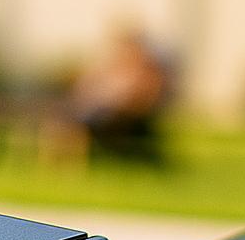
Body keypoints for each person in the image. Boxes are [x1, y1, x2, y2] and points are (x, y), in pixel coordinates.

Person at [63, 25, 172, 161]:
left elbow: (143, 94)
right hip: (97, 109)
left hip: (116, 112)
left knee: (78, 118)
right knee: (71, 116)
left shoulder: (143, 66)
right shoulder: (116, 63)